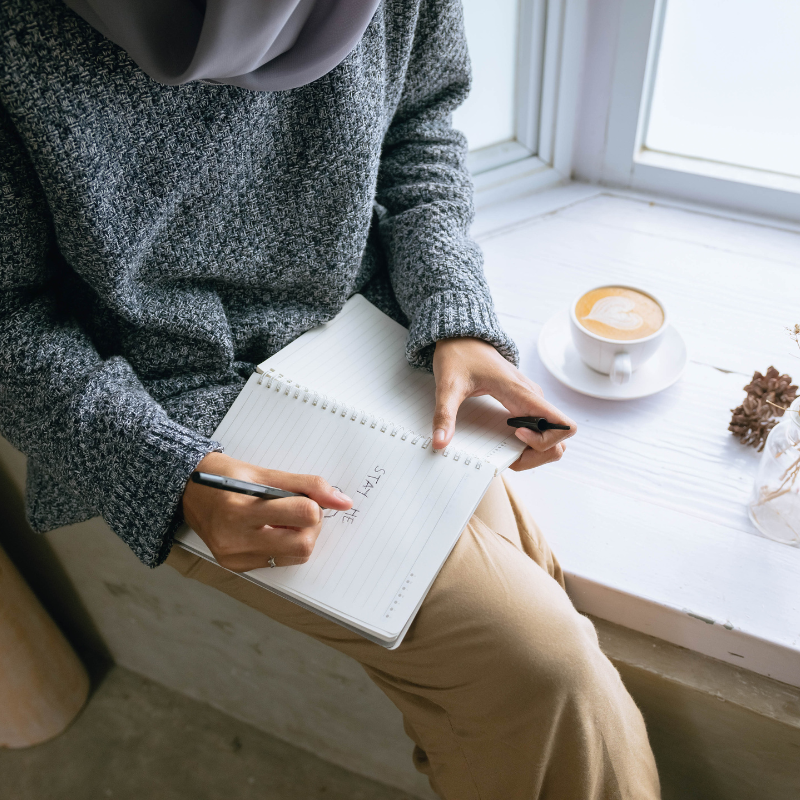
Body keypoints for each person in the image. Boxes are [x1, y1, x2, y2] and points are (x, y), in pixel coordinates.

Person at [0, 1, 661, 797]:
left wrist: (456, 320)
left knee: (532, 653)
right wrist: (168, 475)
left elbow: (420, 124)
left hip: (366, 331)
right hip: (170, 403)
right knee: (542, 669)